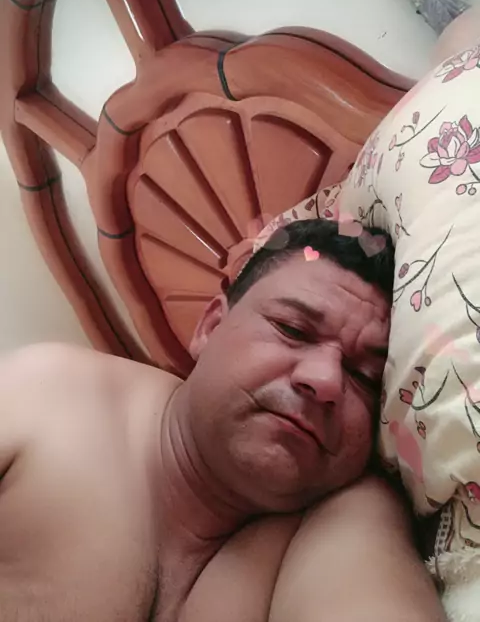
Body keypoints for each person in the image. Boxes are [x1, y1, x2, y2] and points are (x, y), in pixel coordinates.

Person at [0, 219, 445, 622]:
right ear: (210, 327)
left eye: (365, 377)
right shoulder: (43, 395)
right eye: (292, 329)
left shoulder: (350, 512)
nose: (326, 380)